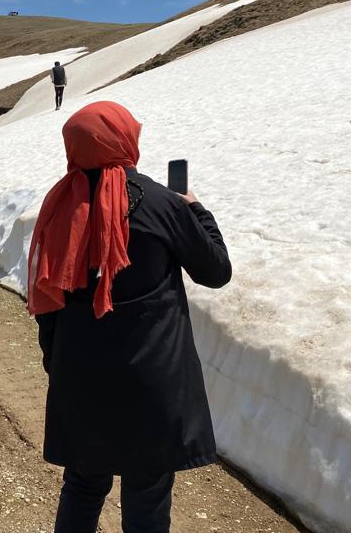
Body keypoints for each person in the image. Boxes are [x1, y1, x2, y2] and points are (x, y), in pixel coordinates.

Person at [28, 101, 231, 533]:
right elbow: (216, 270)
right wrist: (195, 209)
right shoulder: (161, 203)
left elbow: (48, 301)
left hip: (81, 376)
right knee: (147, 499)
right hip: (152, 382)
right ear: (124, 140)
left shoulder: (59, 206)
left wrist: (57, 364)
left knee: (82, 487)